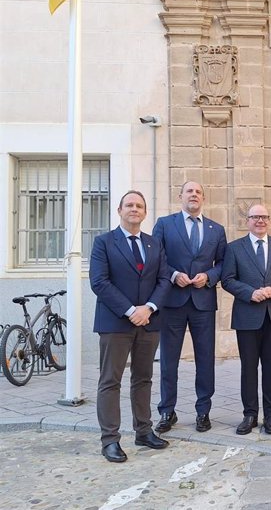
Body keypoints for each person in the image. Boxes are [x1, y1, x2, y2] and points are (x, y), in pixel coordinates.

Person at [89, 190, 171, 463]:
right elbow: (99, 282)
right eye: (129, 205)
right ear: (119, 210)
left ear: (145, 213)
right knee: (110, 381)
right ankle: (110, 440)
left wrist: (148, 308)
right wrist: (129, 310)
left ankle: (143, 431)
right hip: (115, 323)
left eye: (139, 206)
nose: (134, 209)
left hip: (149, 321)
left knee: (143, 379)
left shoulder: (154, 244)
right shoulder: (103, 243)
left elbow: (164, 280)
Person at [152, 181, 227, 434]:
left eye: (198, 192)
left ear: (203, 198)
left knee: (205, 359)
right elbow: (156, 258)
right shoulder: (164, 224)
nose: (193, 195)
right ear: (180, 196)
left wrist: (209, 276)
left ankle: (203, 411)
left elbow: (223, 264)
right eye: (189, 191)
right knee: (169, 360)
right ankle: (166, 411)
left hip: (203, 301)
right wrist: (173, 275)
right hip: (173, 301)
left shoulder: (216, 229)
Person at [221, 204, 271, 434]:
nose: (260, 221)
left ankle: (270, 414)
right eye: (255, 217)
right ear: (248, 221)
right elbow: (228, 279)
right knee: (249, 368)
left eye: (264, 217)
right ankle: (250, 414)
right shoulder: (234, 248)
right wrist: (250, 293)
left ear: (269, 220)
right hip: (247, 317)